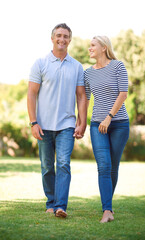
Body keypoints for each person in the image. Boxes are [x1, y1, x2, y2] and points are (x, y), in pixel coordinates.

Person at [27, 23, 87, 218]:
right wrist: (33, 122)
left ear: (70, 40)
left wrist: (81, 121)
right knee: (46, 166)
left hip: (66, 126)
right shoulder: (40, 63)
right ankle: (51, 202)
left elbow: (81, 96)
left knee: (63, 163)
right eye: (59, 35)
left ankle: (60, 206)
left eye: (66, 36)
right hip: (43, 126)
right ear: (52, 38)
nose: (62, 39)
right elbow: (31, 94)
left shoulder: (77, 66)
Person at [84, 36, 129, 223]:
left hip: (118, 123)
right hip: (96, 124)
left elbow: (123, 93)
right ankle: (107, 210)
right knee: (103, 165)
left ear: (104, 47)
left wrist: (109, 118)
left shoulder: (118, 66)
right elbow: (85, 99)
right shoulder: (87, 73)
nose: (89, 48)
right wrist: (81, 122)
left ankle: (108, 208)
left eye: (93, 45)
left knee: (113, 167)